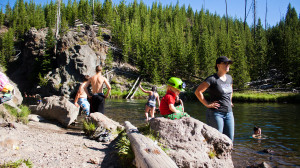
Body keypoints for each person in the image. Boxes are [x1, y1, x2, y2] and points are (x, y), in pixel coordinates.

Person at [195, 56, 234, 141]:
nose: (227, 65)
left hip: (229, 113)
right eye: (225, 63)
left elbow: (231, 90)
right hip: (216, 113)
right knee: (216, 139)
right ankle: (212, 154)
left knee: (229, 140)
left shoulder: (229, 78)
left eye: (228, 64)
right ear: (218, 65)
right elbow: (198, 92)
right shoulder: (212, 79)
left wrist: (230, 101)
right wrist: (207, 104)